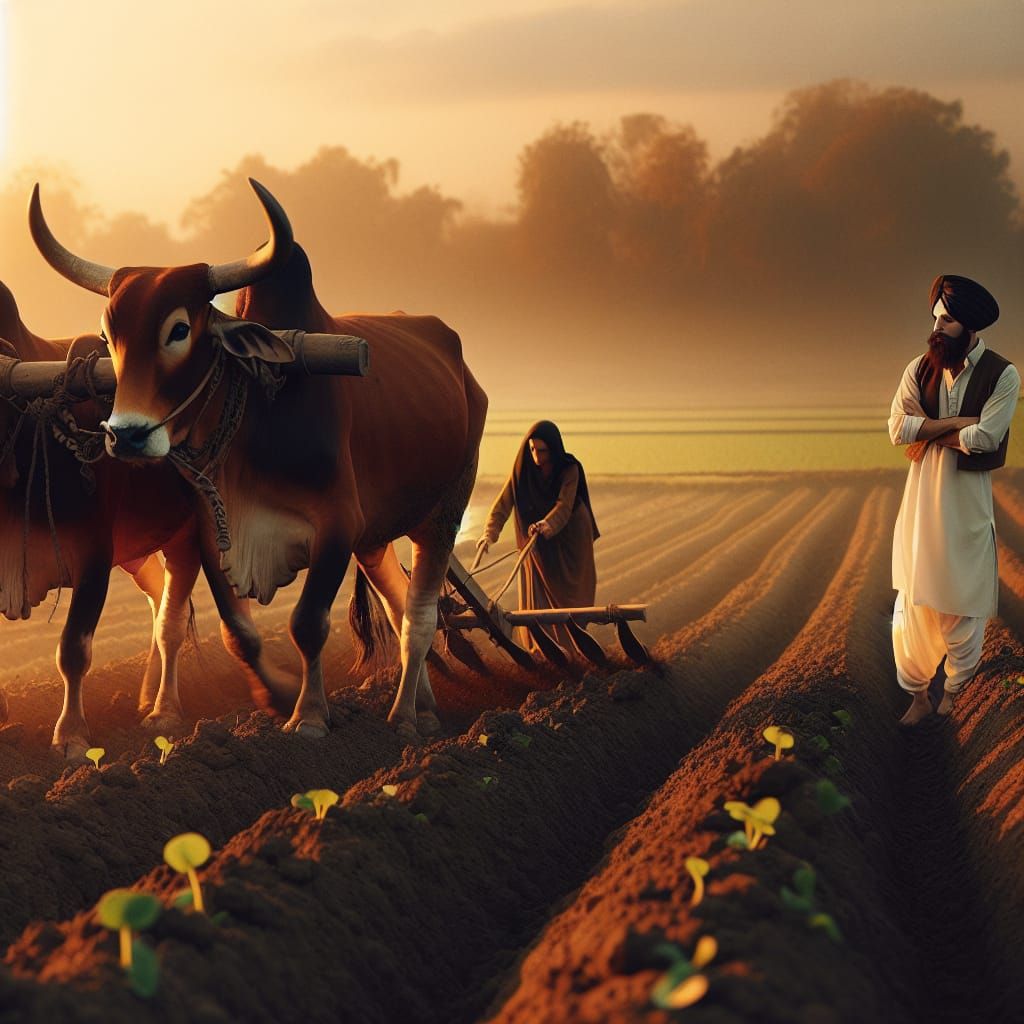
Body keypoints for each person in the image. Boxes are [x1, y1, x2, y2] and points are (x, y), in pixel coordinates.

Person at [888, 274, 1019, 726]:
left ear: (969, 325)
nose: (937, 328)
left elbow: (985, 439)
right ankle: (918, 695)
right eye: (935, 319)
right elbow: (896, 429)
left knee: (962, 598)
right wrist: (957, 424)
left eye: (946, 320)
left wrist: (928, 429)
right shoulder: (917, 368)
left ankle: (954, 692)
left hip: (966, 500)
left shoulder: (1003, 374)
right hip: (920, 499)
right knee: (913, 598)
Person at [476, 420, 599, 652]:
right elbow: (503, 504)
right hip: (537, 536)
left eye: (542, 451)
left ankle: (573, 646)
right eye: (532, 449)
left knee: (570, 595)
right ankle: (544, 649)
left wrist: (547, 523)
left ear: (553, 449)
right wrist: (489, 534)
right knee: (538, 591)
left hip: (570, 536)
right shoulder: (522, 471)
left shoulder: (569, 469)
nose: (537, 456)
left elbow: (564, 505)